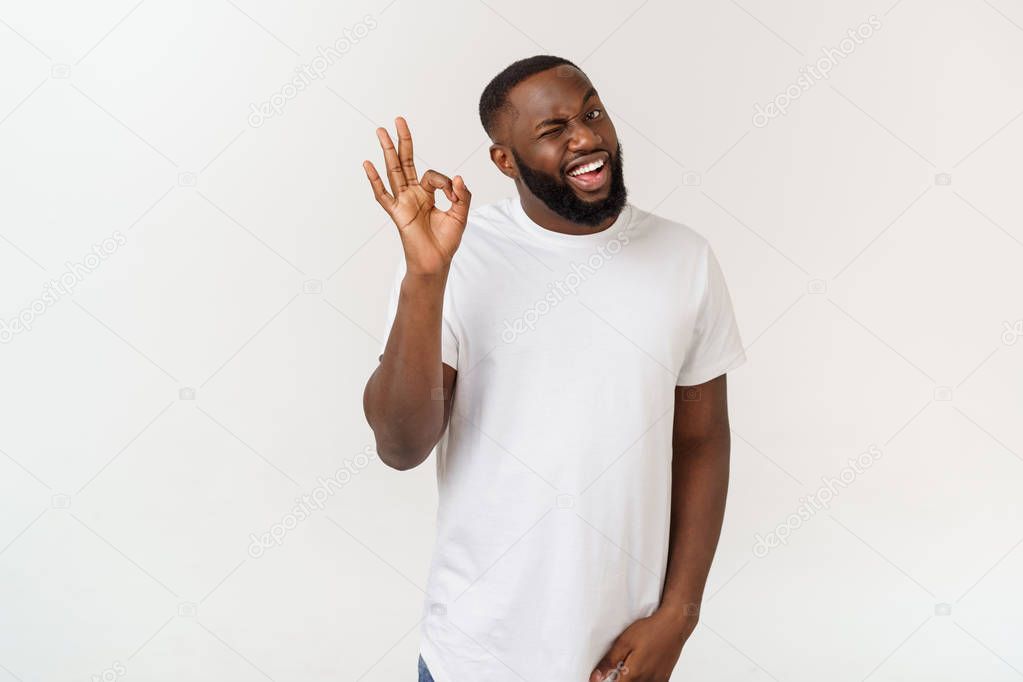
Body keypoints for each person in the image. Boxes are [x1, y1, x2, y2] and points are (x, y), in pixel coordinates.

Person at [362, 54, 747, 682]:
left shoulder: (685, 259)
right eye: (553, 129)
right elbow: (401, 445)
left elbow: (702, 441)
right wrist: (425, 279)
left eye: (592, 111)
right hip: (475, 656)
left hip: (621, 658)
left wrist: (678, 615)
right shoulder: (461, 257)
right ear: (504, 161)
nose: (587, 136)